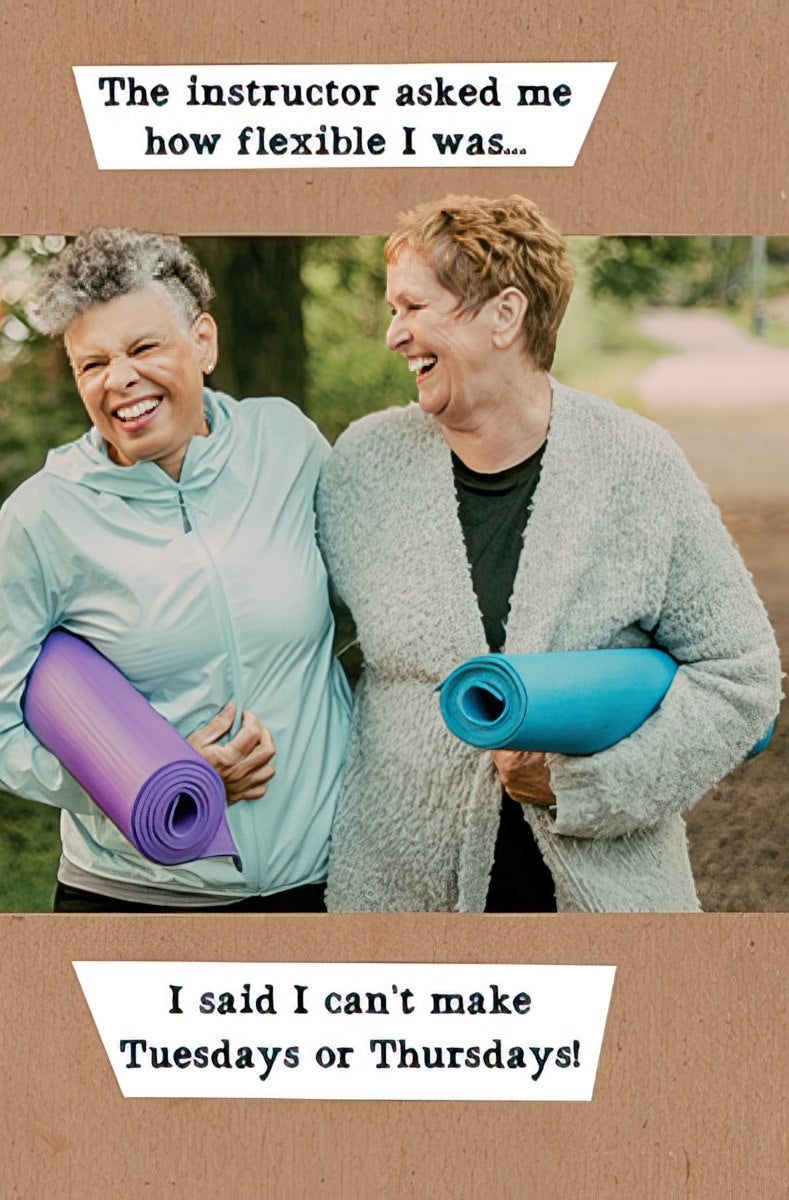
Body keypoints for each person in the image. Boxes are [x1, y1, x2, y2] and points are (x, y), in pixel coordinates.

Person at [316, 194, 781, 913]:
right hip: (397, 909)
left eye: (413, 308)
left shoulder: (634, 465)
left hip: (607, 905)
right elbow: (290, 635)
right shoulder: (362, 467)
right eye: (391, 310)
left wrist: (586, 789)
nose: (392, 335)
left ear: (504, 315)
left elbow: (741, 678)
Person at [0, 228, 350, 912]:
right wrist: (148, 784)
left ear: (203, 342)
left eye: (142, 348)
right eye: (91, 364)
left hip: (323, 881)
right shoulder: (44, 515)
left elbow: (373, 604)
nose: (118, 380)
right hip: (137, 897)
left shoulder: (285, 443)